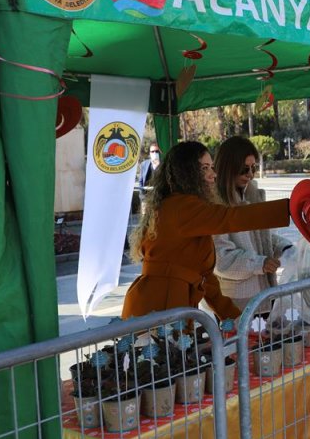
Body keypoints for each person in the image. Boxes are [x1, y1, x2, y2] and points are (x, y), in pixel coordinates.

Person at [122, 141, 290, 321]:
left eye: (211, 167)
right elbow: (230, 218)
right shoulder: (181, 207)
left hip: (170, 308)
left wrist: (233, 318)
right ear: (187, 172)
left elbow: (206, 280)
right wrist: (289, 208)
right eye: (205, 168)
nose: (213, 174)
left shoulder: (185, 207)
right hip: (156, 308)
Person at [212, 136, 293, 313]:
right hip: (238, 301)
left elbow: (262, 238)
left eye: (253, 168)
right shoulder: (215, 205)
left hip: (265, 293)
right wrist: (259, 263)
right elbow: (220, 258)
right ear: (228, 168)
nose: (249, 174)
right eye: (244, 169)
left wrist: (285, 249)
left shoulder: (251, 195)